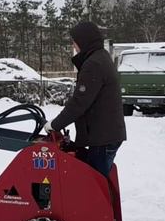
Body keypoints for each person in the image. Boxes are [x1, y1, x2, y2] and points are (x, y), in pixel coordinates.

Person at [44, 21, 127, 177]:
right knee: (96, 183)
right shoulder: (101, 57)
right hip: (105, 135)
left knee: (94, 185)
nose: (74, 46)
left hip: (103, 138)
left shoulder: (93, 64)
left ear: (84, 41)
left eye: (75, 42)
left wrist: (54, 125)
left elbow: (79, 103)